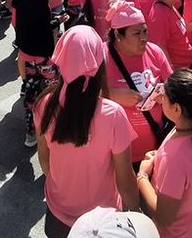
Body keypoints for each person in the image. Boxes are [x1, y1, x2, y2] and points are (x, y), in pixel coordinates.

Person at [34, 26, 139, 237]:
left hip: (58, 215)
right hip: (103, 224)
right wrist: (136, 216)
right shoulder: (113, 114)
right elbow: (125, 180)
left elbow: (44, 159)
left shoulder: (45, 104)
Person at [137, 69, 192, 238]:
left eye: (164, 96)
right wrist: (160, 156)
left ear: (176, 109)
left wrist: (142, 176)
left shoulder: (174, 159)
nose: (160, 98)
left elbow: (164, 217)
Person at [104, 0, 173, 164]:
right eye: (136, 34)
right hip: (115, 154)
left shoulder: (155, 52)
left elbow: (173, 86)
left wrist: (166, 96)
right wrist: (112, 95)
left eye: (145, 31)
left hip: (153, 151)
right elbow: (82, 96)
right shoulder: (101, 56)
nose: (144, 38)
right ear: (117, 35)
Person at [13, 0, 68, 147]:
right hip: (41, 55)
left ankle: (30, 133)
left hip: (26, 53)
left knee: (31, 96)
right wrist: (58, 20)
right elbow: (42, 27)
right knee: (57, 92)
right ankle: (58, 129)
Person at [147, 0, 192, 69]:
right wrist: (169, 72)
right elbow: (160, 47)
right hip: (176, 69)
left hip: (184, 66)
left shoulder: (170, 6)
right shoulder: (159, 14)